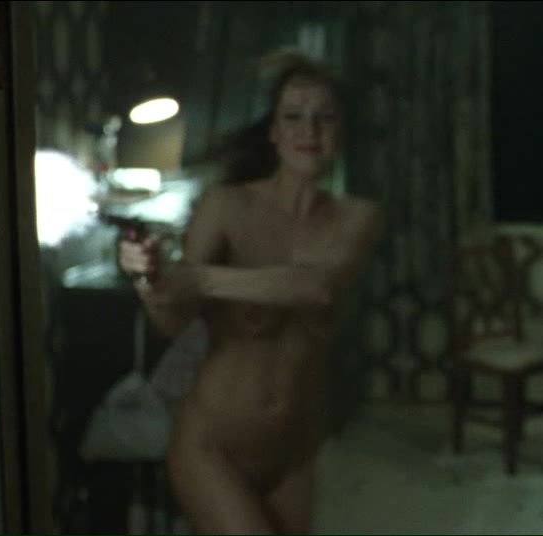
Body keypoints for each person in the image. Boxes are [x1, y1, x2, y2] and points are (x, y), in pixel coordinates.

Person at [118, 50, 384, 534]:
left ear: (342, 132)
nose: (309, 130)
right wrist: (151, 279)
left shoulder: (357, 217)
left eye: (325, 118)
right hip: (213, 447)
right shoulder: (227, 207)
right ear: (274, 132)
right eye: (294, 117)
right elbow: (172, 322)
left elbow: (318, 288)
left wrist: (199, 277)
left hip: (294, 455)